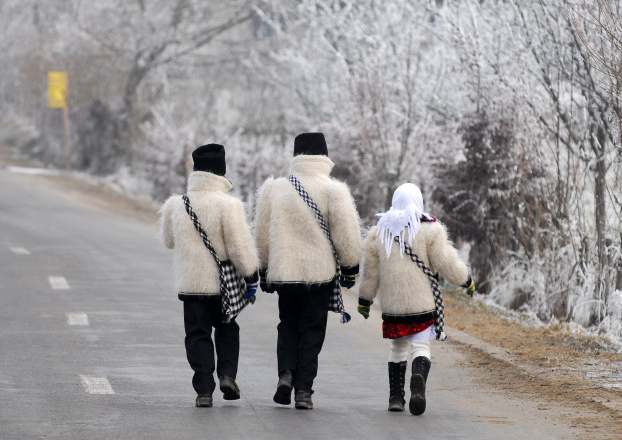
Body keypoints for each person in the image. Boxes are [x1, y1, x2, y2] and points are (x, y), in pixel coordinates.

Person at [254, 132, 362, 410]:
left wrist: (264, 268)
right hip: (320, 274)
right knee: (312, 330)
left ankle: (285, 374)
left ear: (296, 156)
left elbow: (262, 234)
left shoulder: (275, 189)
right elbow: (347, 236)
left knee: (288, 324)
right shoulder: (334, 190)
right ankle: (303, 390)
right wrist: (350, 267)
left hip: (285, 272)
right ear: (325, 158)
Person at [356, 183, 475, 415]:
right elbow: (446, 263)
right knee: (420, 346)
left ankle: (395, 398)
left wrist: (365, 300)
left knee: (397, 348)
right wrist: (465, 280)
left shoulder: (379, 233)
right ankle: (418, 377)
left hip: (393, 307)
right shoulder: (430, 230)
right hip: (422, 305)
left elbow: (370, 273)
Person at [159, 143, 259, 408]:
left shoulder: (176, 205)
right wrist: (251, 275)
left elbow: (169, 241)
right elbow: (239, 247)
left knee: (197, 335)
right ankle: (227, 375)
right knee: (227, 328)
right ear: (221, 171)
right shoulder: (229, 205)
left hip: (191, 284)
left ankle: (204, 391)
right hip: (222, 285)